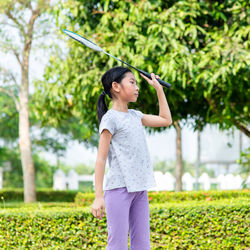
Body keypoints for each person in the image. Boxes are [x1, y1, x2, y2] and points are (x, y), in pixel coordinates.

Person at [91, 66, 172, 250]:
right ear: (116, 87)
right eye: (132, 82)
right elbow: (101, 159)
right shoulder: (110, 119)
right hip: (119, 189)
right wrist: (98, 197)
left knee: (142, 245)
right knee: (117, 245)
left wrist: (158, 89)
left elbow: (166, 119)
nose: (137, 88)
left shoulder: (136, 116)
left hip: (140, 189)